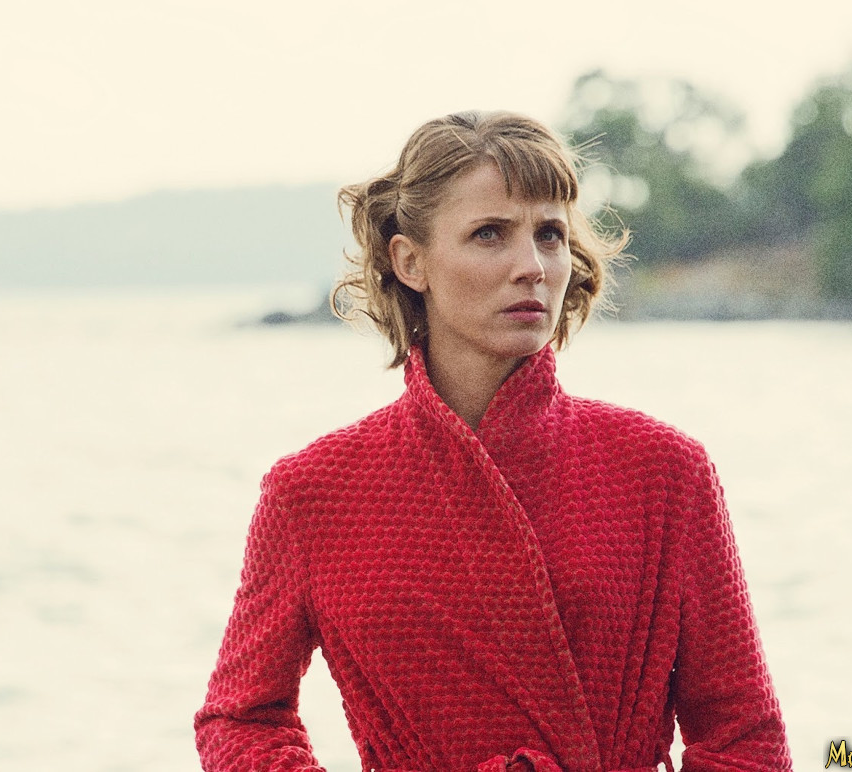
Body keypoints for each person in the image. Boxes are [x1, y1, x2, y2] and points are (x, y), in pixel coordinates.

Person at [195, 111, 791, 771]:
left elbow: (746, 738)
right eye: (489, 234)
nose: (532, 266)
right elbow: (239, 719)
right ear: (410, 261)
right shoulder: (312, 491)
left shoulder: (663, 470)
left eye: (550, 234)